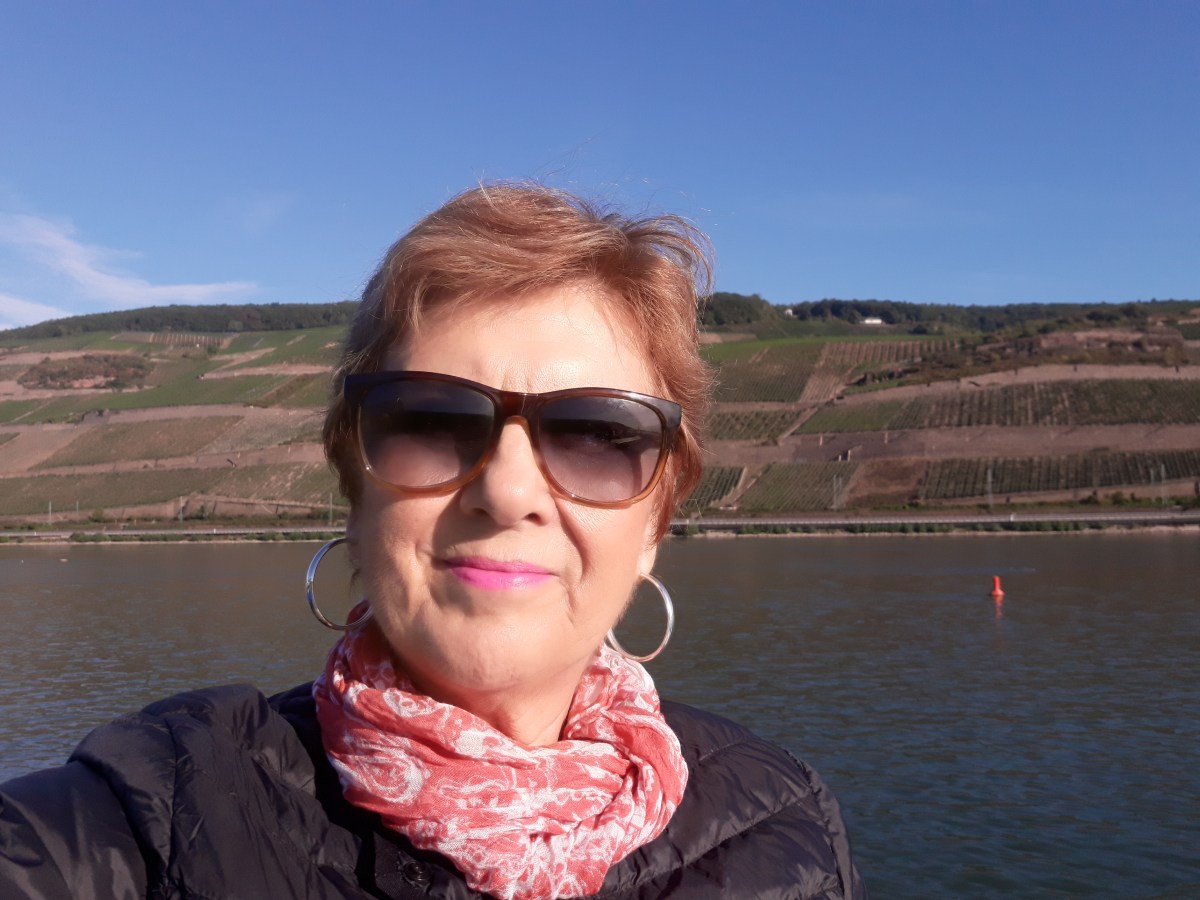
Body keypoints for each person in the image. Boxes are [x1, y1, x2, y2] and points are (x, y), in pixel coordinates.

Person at [0, 183, 867, 899]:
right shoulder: (152, 819)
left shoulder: (784, 827)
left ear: (653, 525)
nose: (507, 492)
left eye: (597, 435)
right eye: (430, 421)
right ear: (354, 491)